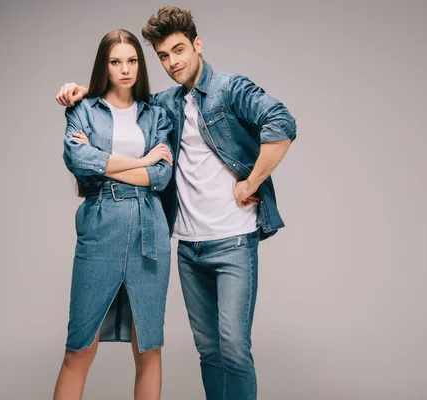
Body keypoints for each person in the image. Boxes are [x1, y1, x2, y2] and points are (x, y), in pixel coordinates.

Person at [56, 7, 297, 399]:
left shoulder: (229, 89)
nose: (172, 62)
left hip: (232, 239)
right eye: (164, 56)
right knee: (208, 352)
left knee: (233, 348)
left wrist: (252, 181)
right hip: (187, 244)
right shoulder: (165, 104)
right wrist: (83, 95)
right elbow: (107, 122)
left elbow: (281, 122)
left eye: (179, 50)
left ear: (198, 45)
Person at [53, 29, 174, 400]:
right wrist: (140, 161)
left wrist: (106, 163)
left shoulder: (156, 114)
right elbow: (77, 159)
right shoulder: (84, 109)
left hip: (148, 229)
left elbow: (162, 175)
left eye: (133, 60)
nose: (126, 69)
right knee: (80, 346)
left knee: (148, 346)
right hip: (101, 225)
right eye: (116, 61)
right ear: (103, 66)